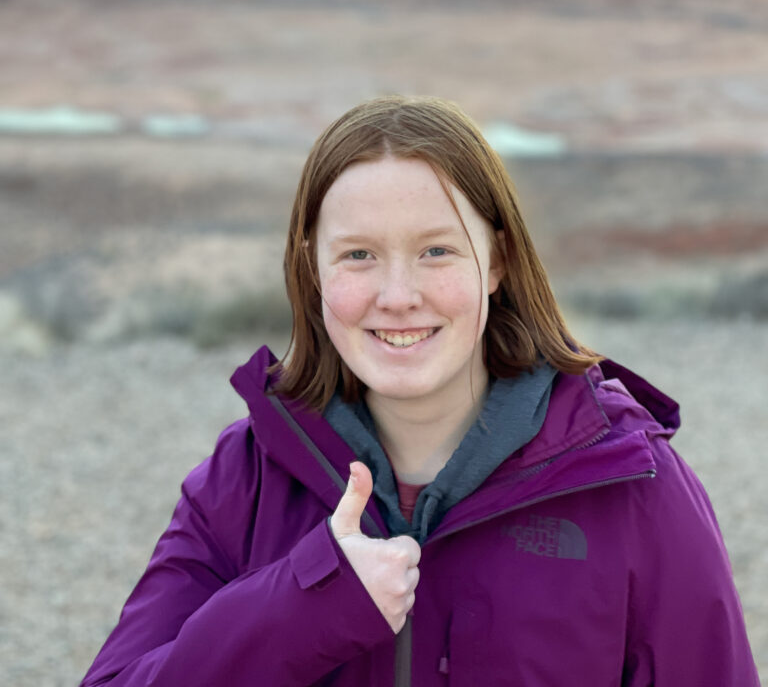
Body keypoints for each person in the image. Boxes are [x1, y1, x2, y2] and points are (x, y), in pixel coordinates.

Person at [81, 95, 759, 687]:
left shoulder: (634, 487)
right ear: (311, 269)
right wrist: (304, 603)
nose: (398, 296)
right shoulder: (244, 481)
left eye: (436, 251)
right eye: (358, 255)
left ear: (497, 260)